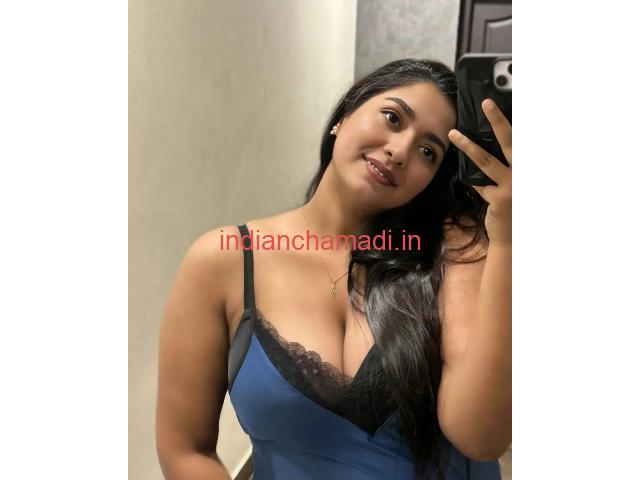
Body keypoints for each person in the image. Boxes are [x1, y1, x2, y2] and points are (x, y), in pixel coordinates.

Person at [155, 58, 512, 480]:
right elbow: (186, 448)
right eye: (393, 118)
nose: (400, 152)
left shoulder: (453, 254)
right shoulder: (225, 260)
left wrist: (507, 240)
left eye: (428, 152)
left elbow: (481, 437)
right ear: (345, 114)